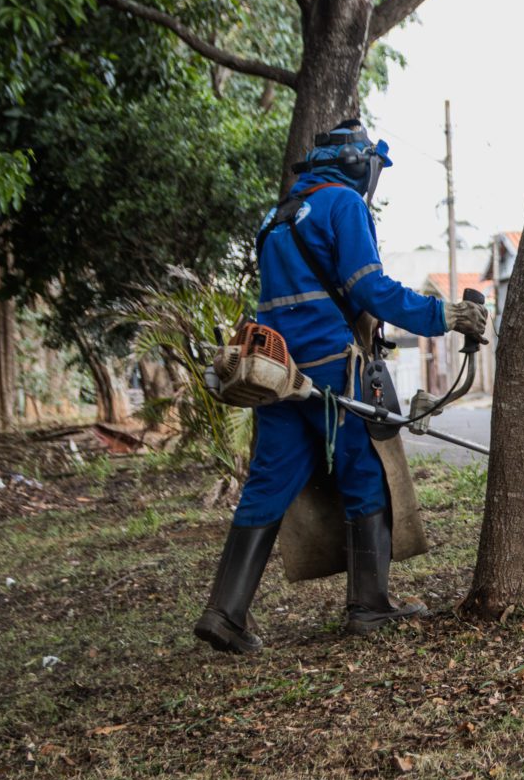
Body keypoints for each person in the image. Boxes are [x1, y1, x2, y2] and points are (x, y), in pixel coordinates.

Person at [194, 119, 489, 653]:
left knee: (268, 482)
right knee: (365, 472)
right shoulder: (344, 205)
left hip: (277, 372)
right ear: (361, 165)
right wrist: (443, 314)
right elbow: (370, 288)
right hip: (333, 366)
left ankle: (225, 613)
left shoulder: (277, 215)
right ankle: (369, 606)